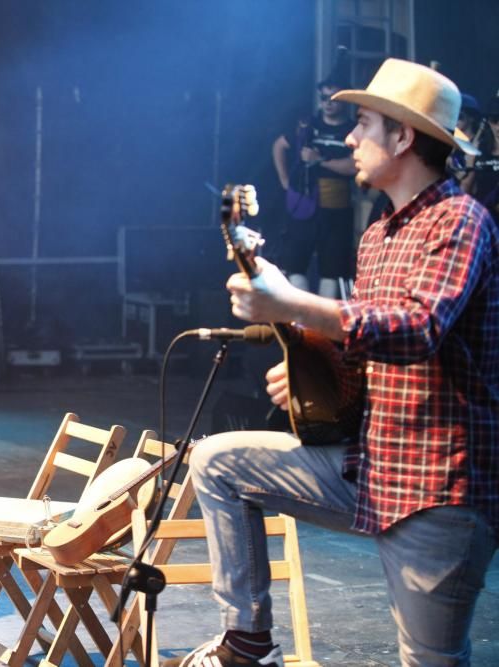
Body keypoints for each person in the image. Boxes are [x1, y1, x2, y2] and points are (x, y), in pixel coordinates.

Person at [169, 59, 498, 667]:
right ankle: (246, 641)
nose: (348, 138)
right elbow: (363, 352)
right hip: (372, 469)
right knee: (216, 461)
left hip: (436, 486)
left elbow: (416, 329)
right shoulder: (378, 235)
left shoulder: (461, 222)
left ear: (402, 137)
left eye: (364, 124)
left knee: (429, 660)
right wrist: (307, 365)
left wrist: (292, 302)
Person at [272, 71, 357, 298]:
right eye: (323, 98)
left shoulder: (353, 130)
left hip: (337, 208)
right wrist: (284, 181)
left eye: (333, 99)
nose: (327, 104)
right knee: (293, 263)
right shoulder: (307, 126)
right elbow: (279, 145)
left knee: (333, 268)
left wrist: (321, 160)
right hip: (303, 204)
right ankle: (303, 322)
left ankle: (322, 325)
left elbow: (354, 166)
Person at [460, 96, 499, 219]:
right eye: (494, 120)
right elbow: (465, 191)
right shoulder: (480, 150)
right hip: (479, 220)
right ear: (488, 121)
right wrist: (470, 165)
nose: (498, 126)